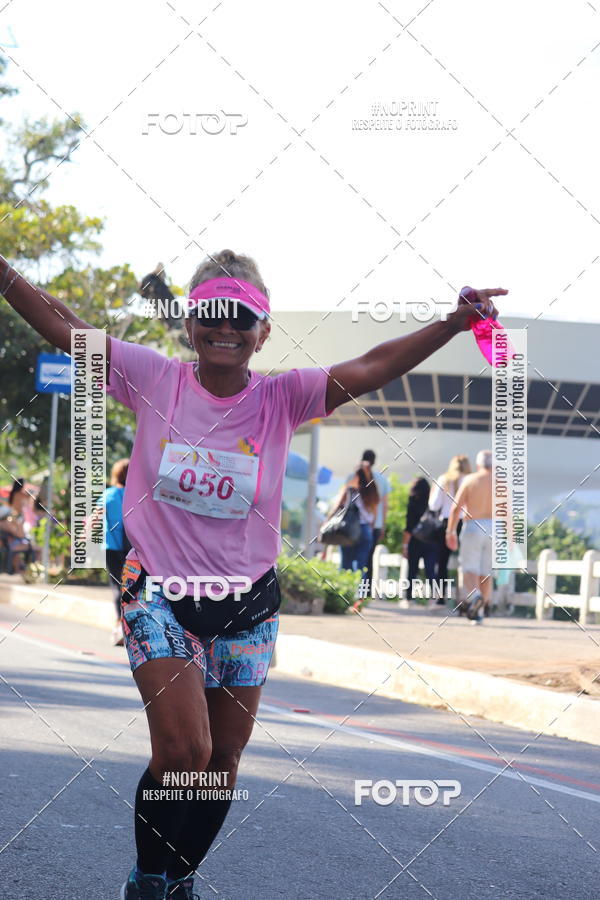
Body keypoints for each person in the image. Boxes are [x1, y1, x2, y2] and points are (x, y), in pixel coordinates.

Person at [0, 246, 504, 899]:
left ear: (263, 330)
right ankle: (147, 882)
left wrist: (451, 324)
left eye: (243, 315)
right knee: (184, 752)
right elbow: (65, 328)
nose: (226, 326)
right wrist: (7, 275)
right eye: (211, 311)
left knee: (222, 763)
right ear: (190, 323)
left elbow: (374, 366)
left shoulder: (284, 398)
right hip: (159, 593)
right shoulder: (152, 377)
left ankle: (180, 879)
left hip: (249, 603)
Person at [446, 449, 494, 624]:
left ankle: (476, 596)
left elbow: (455, 508)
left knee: (469, 568)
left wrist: (450, 531)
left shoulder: (470, 480)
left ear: (478, 464)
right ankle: (480, 611)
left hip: (474, 525)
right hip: (495, 528)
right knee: (486, 571)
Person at [428, 454, 471, 605]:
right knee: (466, 562)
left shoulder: (444, 479)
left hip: (446, 524)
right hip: (466, 523)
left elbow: (433, 505)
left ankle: (441, 597)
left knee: (442, 562)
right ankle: (465, 598)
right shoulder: (470, 480)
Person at [351, 450, 390, 586]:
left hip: (351, 524)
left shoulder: (353, 475)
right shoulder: (382, 479)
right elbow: (384, 505)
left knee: (351, 559)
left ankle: (350, 591)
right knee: (368, 560)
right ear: (374, 461)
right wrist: (383, 524)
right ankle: (365, 592)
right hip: (374, 525)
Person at [334, 460, 379, 574]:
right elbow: (374, 514)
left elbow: (338, 506)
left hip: (348, 529)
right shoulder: (372, 490)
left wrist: (327, 521)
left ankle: (346, 591)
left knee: (346, 565)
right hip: (365, 530)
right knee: (361, 566)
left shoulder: (350, 489)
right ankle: (360, 591)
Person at [104, 458, 131, 646]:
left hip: (111, 548)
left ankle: (121, 626)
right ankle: (127, 626)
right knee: (131, 588)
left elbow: (94, 519)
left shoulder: (109, 494)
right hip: (133, 549)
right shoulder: (137, 494)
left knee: (117, 587)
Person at [403, 477, 438, 603]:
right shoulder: (433, 502)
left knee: (412, 570)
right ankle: (434, 598)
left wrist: (405, 545)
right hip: (431, 541)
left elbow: (409, 526)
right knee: (430, 571)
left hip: (415, 540)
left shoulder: (412, 501)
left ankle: (409, 598)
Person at [0, 478, 37, 573]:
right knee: (21, 539)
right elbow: (30, 505)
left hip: (14, 518)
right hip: (19, 519)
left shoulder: (12, 494)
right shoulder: (23, 495)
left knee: (16, 541)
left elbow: (10, 506)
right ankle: (20, 568)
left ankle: (17, 567)